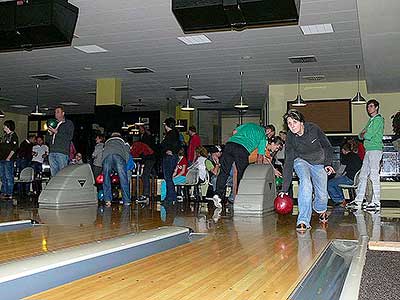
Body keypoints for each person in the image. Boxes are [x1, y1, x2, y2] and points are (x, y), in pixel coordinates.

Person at [280, 109, 335, 232]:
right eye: (289, 123)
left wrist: (328, 163)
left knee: (322, 195)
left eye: (294, 122)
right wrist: (284, 188)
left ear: (301, 122)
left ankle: (320, 210)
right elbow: (288, 161)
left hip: (318, 162)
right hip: (301, 161)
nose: (292, 126)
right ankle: (303, 220)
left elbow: (327, 146)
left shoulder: (313, 129)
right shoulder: (290, 137)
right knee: (305, 182)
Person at [212, 123, 268, 208]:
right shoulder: (263, 136)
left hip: (229, 144)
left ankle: (217, 194)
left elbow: (234, 132)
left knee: (224, 172)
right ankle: (239, 198)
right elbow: (260, 157)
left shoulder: (249, 125)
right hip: (242, 149)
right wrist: (258, 171)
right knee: (241, 175)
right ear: (266, 131)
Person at [347, 99, 384, 211]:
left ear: (376, 107)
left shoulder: (378, 119)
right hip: (369, 151)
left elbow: (368, 134)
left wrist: (365, 134)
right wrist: (364, 134)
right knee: (362, 176)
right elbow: (360, 135)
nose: (369, 108)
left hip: (375, 150)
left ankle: (376, 202)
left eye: (371, 106)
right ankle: (358, 201)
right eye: (368, 107)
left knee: (373, 175)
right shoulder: (370, 120)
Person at [327, 143, 362, 207]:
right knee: (336, 183)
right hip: (355, 178)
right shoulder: (356, 156)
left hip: (349, 179)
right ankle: (342, 200)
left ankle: (339, 200)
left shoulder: (347, 156)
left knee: (330, 183)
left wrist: (335, 177)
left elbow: (341, 171)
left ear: (343, 150)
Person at [102, 132, 131, 206]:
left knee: (106, 178)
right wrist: (125, 163)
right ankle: (126, 200)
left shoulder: (107, 142)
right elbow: (127, 152)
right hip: (119, 156)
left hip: (107, 157)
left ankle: (107, 200)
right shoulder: (123, 141)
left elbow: (102, 152)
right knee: (123, 179)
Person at [47, 106, 74, 176]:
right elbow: (47, 140)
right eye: (55, 112)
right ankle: (55, 187)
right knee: (54, 175)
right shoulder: (53, 124)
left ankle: (62, 187)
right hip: (52, 152)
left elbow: (69, 137)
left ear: (63, 113)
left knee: (62, 175)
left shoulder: (68, 123)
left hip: (62, 152)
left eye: (58, 112)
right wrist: (49, 134)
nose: (56, 114)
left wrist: (56, 132)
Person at [160, 117, 180, 204]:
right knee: (169, 178)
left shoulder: (170, 134)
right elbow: (178, 145)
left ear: (166, 125)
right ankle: (171, 197)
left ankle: (171, 197)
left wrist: (166, 150)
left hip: (169, 158)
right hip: (174, 157)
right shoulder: (176, 134)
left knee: (167, 177)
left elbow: (163, 145)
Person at [0, 120, 18, 200]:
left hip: (8, 160)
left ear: (8, 126)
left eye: (4, 126)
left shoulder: (14, 136)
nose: (3, 127)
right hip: (2, 159)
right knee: (3, 176)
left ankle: (9, 193)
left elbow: (14, 148)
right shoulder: (5, 136)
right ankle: (4, 192)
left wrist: (8, 158)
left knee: (8, 176)